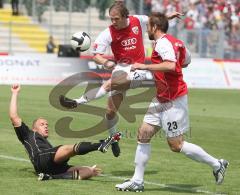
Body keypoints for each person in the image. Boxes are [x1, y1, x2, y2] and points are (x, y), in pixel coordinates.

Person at [115, 13, 229, 192]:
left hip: (173, 100)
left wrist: (145, 66)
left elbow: (170, 65)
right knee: (143, 134)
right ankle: (137, 181)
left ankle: (217, 164)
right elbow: (185, 62)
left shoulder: (163, 43)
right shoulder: (176, 42)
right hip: (161, 97)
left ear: (154, 27)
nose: (146, 31)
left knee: (176, 145)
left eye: (148, 27)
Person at [59, 2, 183, 158]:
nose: (113, 22)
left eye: (116, 19)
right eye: (111, 19)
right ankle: (114, 139)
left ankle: (77, 102)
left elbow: (153, 21)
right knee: (110, 112)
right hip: (121, 70)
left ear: (126, 17)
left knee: (111, 83)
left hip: (138, 69)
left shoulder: (137, 20)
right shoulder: (108, 33)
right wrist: (105, 62)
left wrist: (168, 17)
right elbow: (96, 55)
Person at [9, 84, 121, 181]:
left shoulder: (47, 144)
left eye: (47, 125)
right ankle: (100, 145)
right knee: (66, 148)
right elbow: (14, 117)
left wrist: (89, 170)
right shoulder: (28, 134)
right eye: (42, 124)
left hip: (54, 167)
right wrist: (15, 93)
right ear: (34, 128)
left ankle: (50, 177)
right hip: (41, 159)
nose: (46, 126)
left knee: (88, 171)